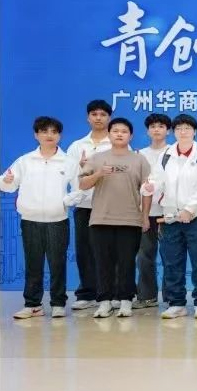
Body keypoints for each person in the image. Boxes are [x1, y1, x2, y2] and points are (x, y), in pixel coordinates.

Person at [77, 118, 152, 319]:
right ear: (109, 134)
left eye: (124, 131)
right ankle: (104, 302)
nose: (119, 134)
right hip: (101, 219)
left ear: (131, 136)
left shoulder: (139, 160)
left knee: (127, 262)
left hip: (130, 220)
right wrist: (98, 174)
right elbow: (82, 184)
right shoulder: (96, 158)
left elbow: (147, 190)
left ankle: (126, 300)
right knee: (103, 263)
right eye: (115, 131)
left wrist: (145, 216)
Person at [2, 116, 72, 319]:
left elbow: (80, 187)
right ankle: (33, 305)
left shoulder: (68, 161)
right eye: (44, 131)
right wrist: (7, 180)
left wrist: (66, 201)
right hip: (30, 220)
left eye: (54, 132)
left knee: (57, 263)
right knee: (33, 263)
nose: (49, 135)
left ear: (59, 136)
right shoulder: (25, 161)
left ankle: (58, 303)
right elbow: (7, 184)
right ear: (36, 135)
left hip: (57, 220)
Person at [151, 114, 197, 319]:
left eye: (187, 128)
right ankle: (176, 303)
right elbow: (157, 181)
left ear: (195, 132)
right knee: (172, 262)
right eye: (179, 128)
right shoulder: (166, 155)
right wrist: (150, 187)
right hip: (171, 217)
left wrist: (189, 209)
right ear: (173, 132)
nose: (183, 132)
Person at [63, 99, 114, 311]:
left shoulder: (117, 142)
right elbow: (69, 175)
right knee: (84, 251)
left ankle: (111, 294)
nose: (98, 118)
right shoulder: (77, 146)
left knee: (110, 251)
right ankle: (87, 293)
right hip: (84, 205)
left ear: (109, 118)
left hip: (110, 206)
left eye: (103, 114)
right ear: (88, 118)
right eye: (94, 114)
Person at [134, 112, 171, 311]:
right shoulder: (139, 154)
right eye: (153, 126)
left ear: (168, 130)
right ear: (147, 131)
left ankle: (171, 296)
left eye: (161, 126)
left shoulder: (174, 152)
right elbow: (137, 185)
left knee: (170, 256)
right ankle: (147, 296)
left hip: (168, 213)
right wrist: (142, 214)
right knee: (144, 256)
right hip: (145, 213)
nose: (157, 130)